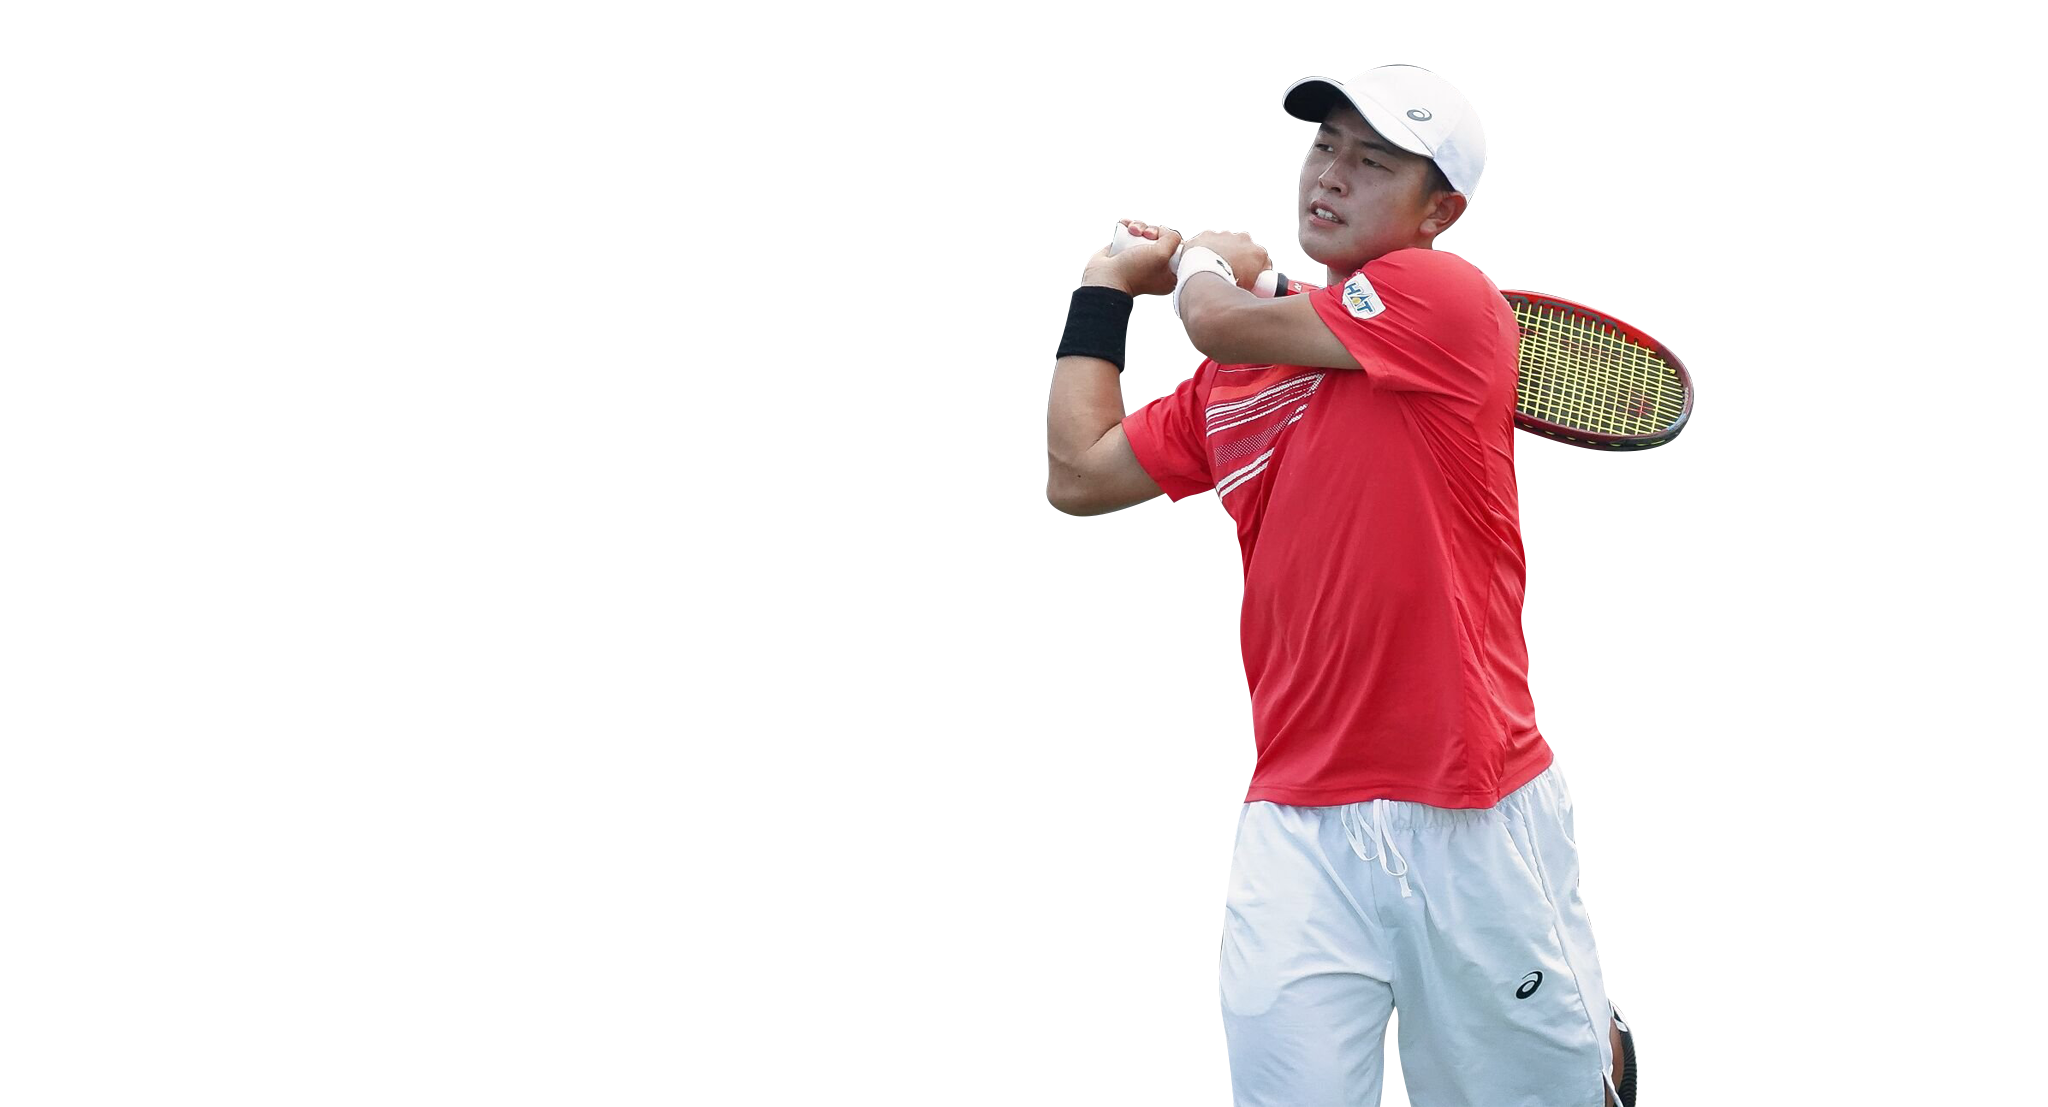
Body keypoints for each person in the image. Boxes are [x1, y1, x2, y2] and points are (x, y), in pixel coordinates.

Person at [1047, 65, 1633, 1106]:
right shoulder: (1234, 382)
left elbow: (1216, 318)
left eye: (1373, 162)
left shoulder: (1449, 298)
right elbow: (1076, 473)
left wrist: (1203, 264)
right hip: (1295, 827)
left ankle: (1596, 1055)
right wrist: (1100, 286)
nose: (1330, 175)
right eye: (1324, 147)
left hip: (1472, 808)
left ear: (1437, 211)